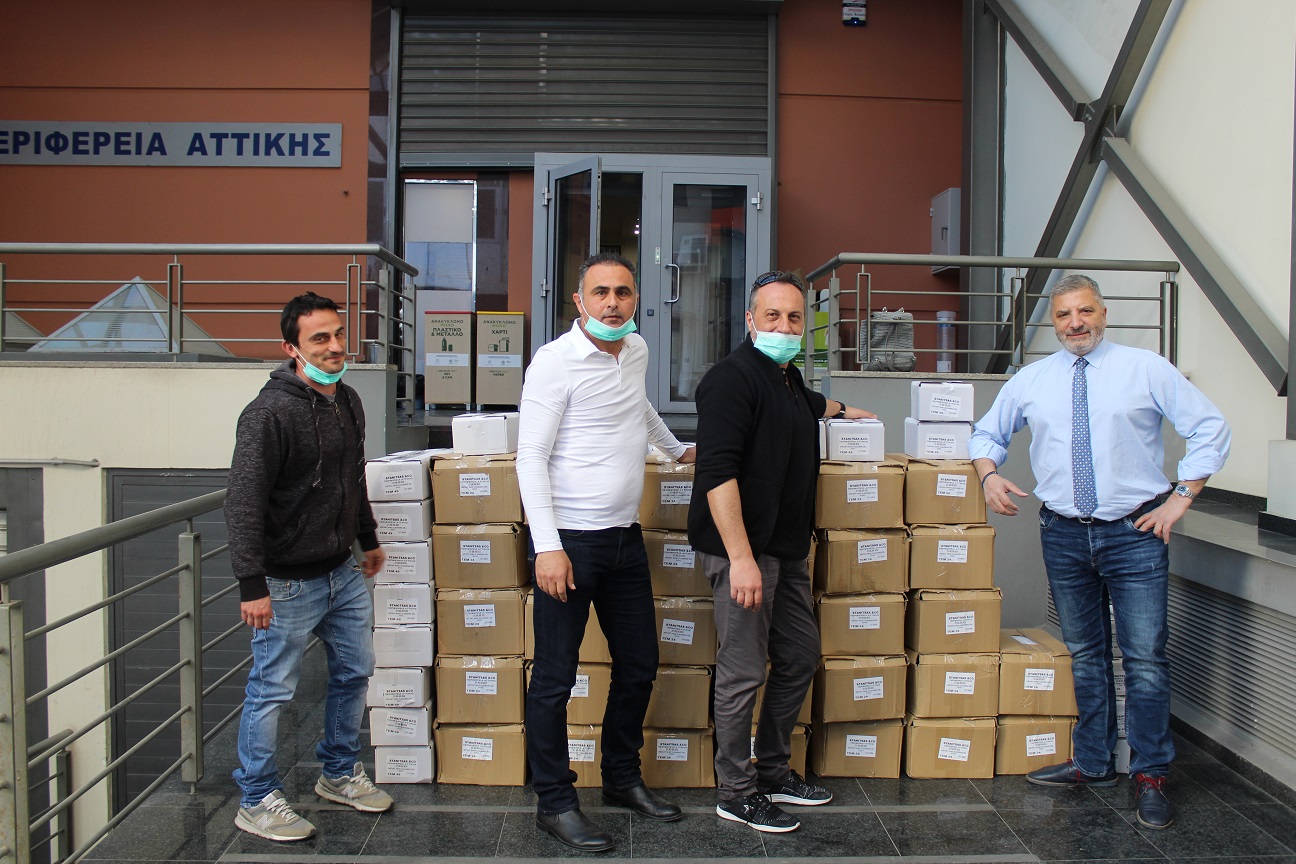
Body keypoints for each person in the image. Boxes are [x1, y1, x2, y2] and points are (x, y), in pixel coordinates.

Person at [969, 274, 1230, 831]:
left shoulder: (1146, 369)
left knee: (1144, 658)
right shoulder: (1032, 379)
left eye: (1085, 311)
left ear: (1104, 314)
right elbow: (986, 434)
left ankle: (1151, 774)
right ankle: (1093, 762)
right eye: (1064, 315)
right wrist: (989, 474)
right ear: (1053, 322)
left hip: (1134, 532)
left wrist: (1181, 498)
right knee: (1085, 653)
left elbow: (1210, 428)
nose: (1075, 323)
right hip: (1063, 533)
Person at [517, 252, 695, 852]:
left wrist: (675, 450)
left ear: (636, 298)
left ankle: (620, 778)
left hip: (624, 539)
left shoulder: (635, 349)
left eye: (623, 291)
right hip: (569, 542)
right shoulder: (553, 362)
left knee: (639, 664)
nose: (613, 303)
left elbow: (636, 405)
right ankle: (555, 802)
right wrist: (547, 547)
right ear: (579, 300)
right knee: (555, 678)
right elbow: (530, 457)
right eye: (601, 292)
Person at [688, 270, 874, 833]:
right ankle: (735, 790)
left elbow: (810, 403)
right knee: (743, 671)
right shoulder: (730, 380)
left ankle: (771, 769)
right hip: (745, 552)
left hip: (787, 551)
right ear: (751, 320)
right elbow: (717, 472)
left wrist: (845, 411)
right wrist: (741, 559)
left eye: (794, 317)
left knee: (799, 655)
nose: (785, 326)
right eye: (773, 315)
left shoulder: (787, 378)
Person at [225, 292, 392, 842]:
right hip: (285, 583)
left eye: (339, 334)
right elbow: (243, 502)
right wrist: (252, 583)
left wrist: (366, 538)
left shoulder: (347, 399)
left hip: (341, 571)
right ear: (291, 348)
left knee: (355, 670)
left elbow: (352, 477)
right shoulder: (267, 414)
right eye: (320, 338)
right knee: (271, 691)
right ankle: (256, 799)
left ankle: (339, 772)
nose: (335, 346)